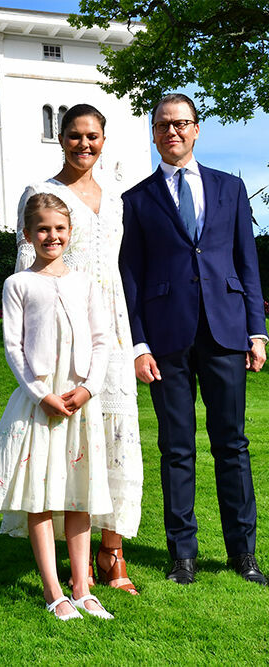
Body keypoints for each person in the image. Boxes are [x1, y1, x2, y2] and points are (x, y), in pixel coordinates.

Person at [118, 92, 267, 587]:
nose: (172, 132)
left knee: (233, 445)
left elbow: (247, 263)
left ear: (197, 129)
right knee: (175, 447)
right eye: (163, 125)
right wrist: (138, 345)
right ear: (154, 133)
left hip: (226, 332)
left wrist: (256, 331)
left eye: (181, 123)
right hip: (166, 339)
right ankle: (182, 553)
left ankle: (242, 553)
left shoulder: (231, 188)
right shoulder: (137, 200)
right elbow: (131, 278)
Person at [12, 103, 143, 595]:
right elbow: (27, 276)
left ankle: (112, 554)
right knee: (73, 442)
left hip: (114, 326)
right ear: (60, 138)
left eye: (93, 136)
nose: (84, 144)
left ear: (104, 140)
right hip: (64, 334)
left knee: (117, 433)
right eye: (74, 136)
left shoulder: (117, 199)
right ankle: (77, 567)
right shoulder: (41, 194)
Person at [0, 193, 114, 621]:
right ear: (28, 235)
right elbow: (13, 348)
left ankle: (82, 587)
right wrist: (43, 394)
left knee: (79, 496)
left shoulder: (85, 283)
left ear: (70, 233)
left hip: (78, 402)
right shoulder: (17, 285)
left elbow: (101, 340)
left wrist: (89, 389)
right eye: (42, 229)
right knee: (40, 495)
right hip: (41, 403)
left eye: (59, 229)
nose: (51, 236)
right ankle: (53, 590)